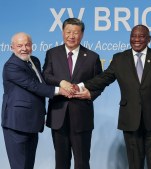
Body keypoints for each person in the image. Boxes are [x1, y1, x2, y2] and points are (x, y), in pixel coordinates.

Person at [73, 24, 151, 169]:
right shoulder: (119, 58)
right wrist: (81, 86)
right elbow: (104, 78)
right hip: (130, 119)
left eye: (141, 36)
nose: (136, 39)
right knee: (134, 164)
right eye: (133, 36)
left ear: (149, 39)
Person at [1, 32, 68, 169]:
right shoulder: (11, 66)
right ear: (12, 47)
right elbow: (33, 86)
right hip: (16, 123)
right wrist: (59, 90)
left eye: (27, 44)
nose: (24, 48)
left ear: (32, 46)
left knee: (28, 165)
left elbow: (41, 82)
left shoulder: (34, 60)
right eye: (19, 45)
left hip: (32, 122)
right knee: (20, 166)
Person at [42, 18, 102, 169]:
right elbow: (46, 76)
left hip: (82, 116)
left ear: (82, 34)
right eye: (68, 32)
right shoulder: (52, 53)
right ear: (62, 32)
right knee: (61, 162)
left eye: (75, 32)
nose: (71, 36)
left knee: (82, 162)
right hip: (58, 115)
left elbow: (99, 82)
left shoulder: (92, 57)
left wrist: (91, 94)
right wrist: (61, 82)